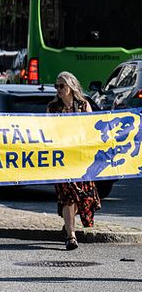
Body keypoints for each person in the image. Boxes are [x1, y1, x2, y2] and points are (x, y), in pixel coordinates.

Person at [47, 72, 100, 250]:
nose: (59, 90)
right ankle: (71, 236)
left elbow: (91, 129)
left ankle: (68, 224)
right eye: (57, 86)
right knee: (68, 196)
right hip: (61, 160)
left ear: (71, 87)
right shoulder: (53, 108)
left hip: (80, 159)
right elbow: (46, 130)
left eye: (62, 86)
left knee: (81, 197)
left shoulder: (83, 105)